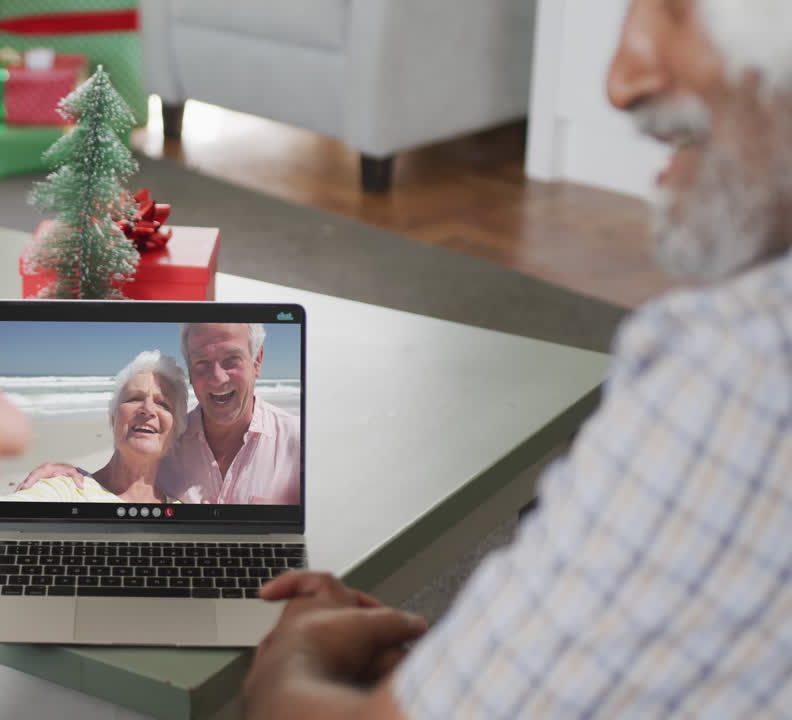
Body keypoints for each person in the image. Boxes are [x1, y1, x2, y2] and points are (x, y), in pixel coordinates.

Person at [243, 1, 792, 717]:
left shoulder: (741, 370)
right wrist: (476, 657)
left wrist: (290, 661)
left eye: (679, 6)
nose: (620, 81)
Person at [18, 323, 300, 504]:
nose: (217, 378)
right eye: (202, 362)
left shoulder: (298, 442)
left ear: (258, 360)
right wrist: (67, 475)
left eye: (231, 360)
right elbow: (115, 481)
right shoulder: (166, 441)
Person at [0, 351, 187, 503]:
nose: (147, 409)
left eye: (162, 403)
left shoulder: (181, 513)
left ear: (175, 429)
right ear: (113, 418)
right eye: (135, 398)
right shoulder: (66, 489)